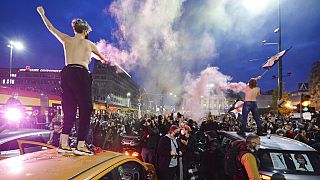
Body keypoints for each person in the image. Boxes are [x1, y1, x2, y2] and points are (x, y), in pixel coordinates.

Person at [37, 6, 109, 155]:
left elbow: (51, 28)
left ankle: (64, 143)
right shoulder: (90, 44)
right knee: (85, 110)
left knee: (68, 110)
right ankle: (81, 144)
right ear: (85, 31)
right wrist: (105, 59)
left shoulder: (67, 39)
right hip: (81, 74)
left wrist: (42, 14)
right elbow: (102, 58)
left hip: (67, 73)